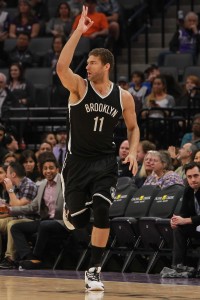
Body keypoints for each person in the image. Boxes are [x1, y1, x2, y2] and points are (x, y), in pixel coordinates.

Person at [56, 5, 139, 292]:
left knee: (103, 210)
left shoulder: (123, 96)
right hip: (77, 163)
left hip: (105, 161)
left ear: (106, 66)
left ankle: (94, 270)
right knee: (79, 222)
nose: (87, 66)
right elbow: (61, 67)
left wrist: (133, 149)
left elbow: (133, 127)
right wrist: (79, 30)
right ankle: (72, 210)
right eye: (87, 62)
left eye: (92, 62)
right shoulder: (78, 87)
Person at [8, 154, 68, 270]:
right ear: (41, 170)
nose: (48, 171)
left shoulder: (64, 183)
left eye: (51, 168)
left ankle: (36, 257)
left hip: (61, 221)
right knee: (15, 228)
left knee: (44, 225)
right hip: (45, 222)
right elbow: (32, 207)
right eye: (45, 168)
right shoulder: (42, 185)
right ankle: (29, 257)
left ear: (57, 169)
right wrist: (11, 210)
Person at [0, 161, 37, 269]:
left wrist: (10, 190)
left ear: (13, 174)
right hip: (17, 217)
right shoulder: (15, 186)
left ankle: (10, 259)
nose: (6, 176)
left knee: (12, 224)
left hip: (30, 219)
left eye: (7, 173)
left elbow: (19, 207)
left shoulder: (29, 185)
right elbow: (11, 207)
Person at [170, 162, 200, 270]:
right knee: (178, 229)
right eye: (189, 177)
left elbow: (186, 219)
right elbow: (183, 213)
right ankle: (177, 266)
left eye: (196, 176)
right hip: (197, 226)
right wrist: (175, 220)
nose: (193, 180)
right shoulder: (188, 190)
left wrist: (185, 220)